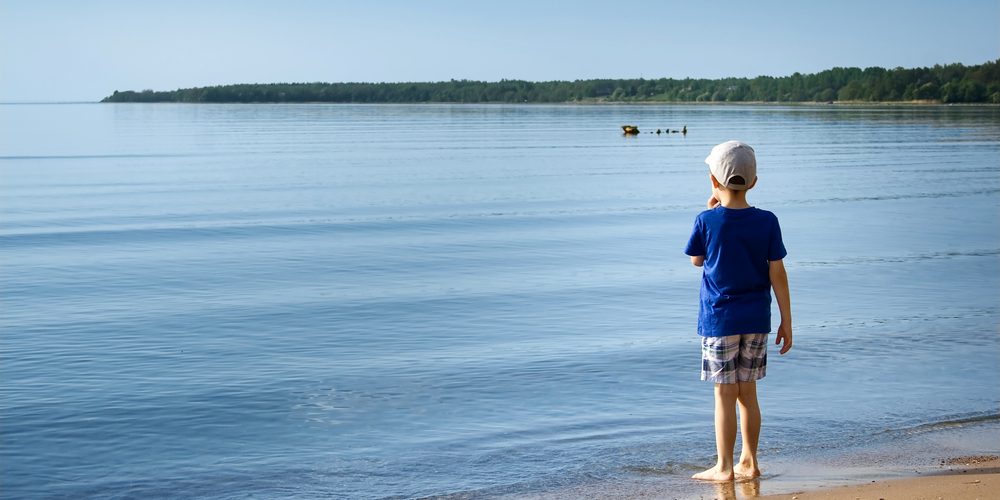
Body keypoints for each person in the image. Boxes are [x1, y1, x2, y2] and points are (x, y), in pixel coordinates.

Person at [683, 140, 793, 481]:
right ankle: (750, 461)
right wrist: (787, 321)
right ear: (754, 182)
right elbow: (778, 272)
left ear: (713, 181)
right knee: (748, 392)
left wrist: (710, 209)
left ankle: (724, 467)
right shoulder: (767, 221)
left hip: (720, 320)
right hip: (757, 319)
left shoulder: (706, 220)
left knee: (724, 393)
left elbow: (697, 260)